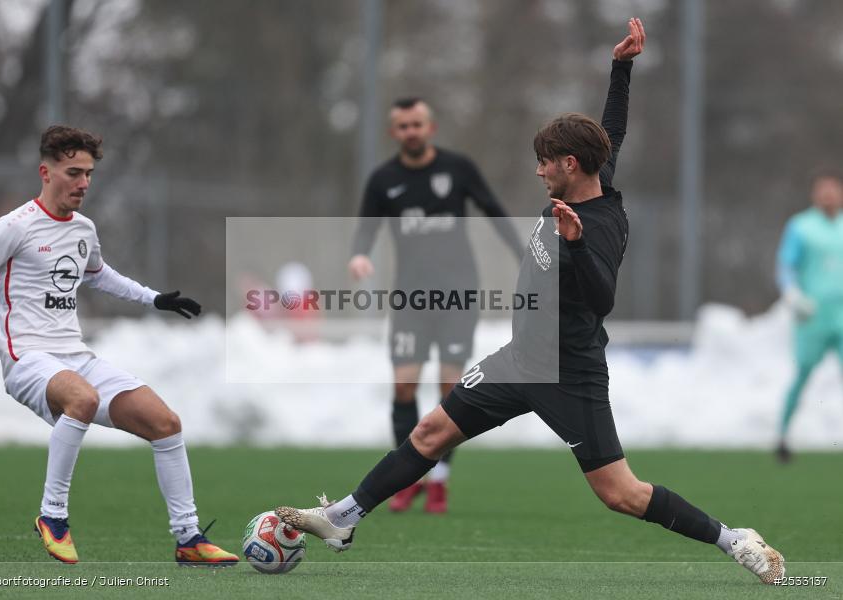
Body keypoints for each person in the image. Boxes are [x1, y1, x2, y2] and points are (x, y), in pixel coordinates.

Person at [276, 19, 786, 585]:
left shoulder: (599, 223)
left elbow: (602, 299)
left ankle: (733, 538)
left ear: (570, 165)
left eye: (546, 160)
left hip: (570, 374)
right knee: (428, 434)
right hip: (519, 360)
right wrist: (622, 67)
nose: (539, 169)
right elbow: (610, 128)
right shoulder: (592, 173)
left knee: (621, 493)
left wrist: (572, 247)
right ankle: (342, 518)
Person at [0, 126, 239, 566]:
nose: (83, 183)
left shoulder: (83, 228)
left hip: (76, 357)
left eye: (89, 174)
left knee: (166, 423)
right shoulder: (13, 227)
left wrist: (153, 297)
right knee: (82, 399)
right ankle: (52, 517)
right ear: (46, 172)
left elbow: (98, 274)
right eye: (73, 172)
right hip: (26, 360)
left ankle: (189, 538)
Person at [349, 92, 525, 513]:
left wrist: (523, 255)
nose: (411, 131)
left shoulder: (457, 168)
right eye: (403, 126)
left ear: (430, 128)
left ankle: (440, 480)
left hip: (458, 293)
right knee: (404, 385)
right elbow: (365, 229)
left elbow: (493, 209)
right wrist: (358, 255)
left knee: (450, 387)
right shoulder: (382, 180)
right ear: (395, 132)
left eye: (417, 124)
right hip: (410, 297)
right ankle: (407, 479)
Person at [775, 171, 843, 462]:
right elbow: (786, 266)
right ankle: (783, 436)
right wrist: (792, 295)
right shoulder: (801, 226)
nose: (828, 195)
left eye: (833, 190)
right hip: (812, 316)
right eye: (823, 190)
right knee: (802, 374)